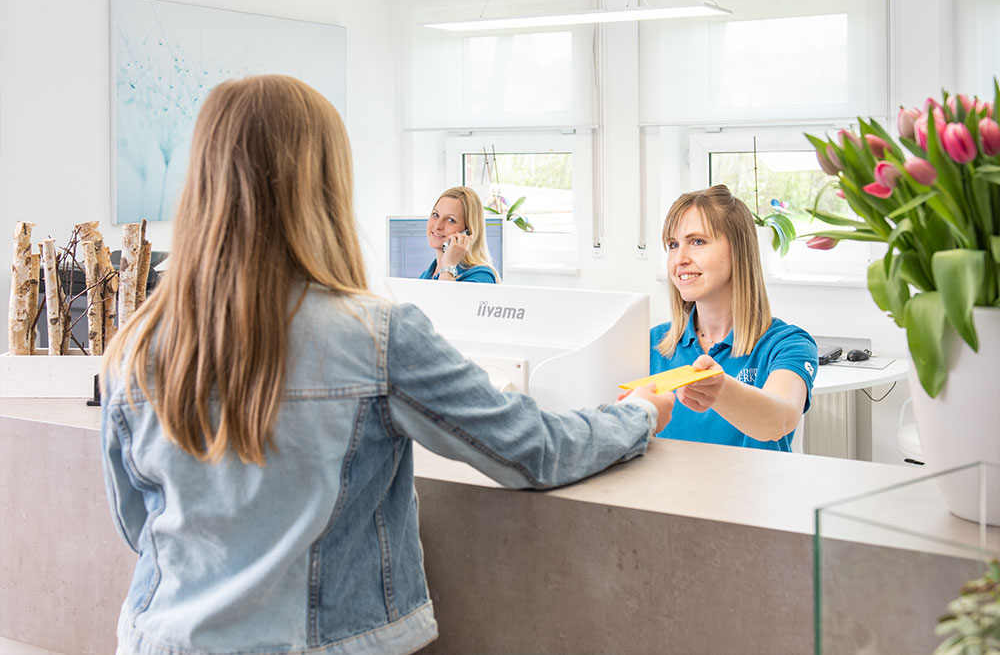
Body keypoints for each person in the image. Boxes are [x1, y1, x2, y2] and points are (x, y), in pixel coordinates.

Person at [99, 75, 675, 655]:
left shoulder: (137, 345)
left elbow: (140, 526)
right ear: (325, 185)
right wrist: (638, 415)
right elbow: (532, 449)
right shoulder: (374, 337)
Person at [648, 184, 818, 452]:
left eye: (697, 242)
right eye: (673, 245)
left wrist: (722, 391)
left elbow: (781, 419)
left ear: (738, 249)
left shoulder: (787, 344)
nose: (680, 259)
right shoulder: (652, 343)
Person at [418, 185, 499, 282]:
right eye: (435, 215)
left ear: (468, 232)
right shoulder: (425, 276)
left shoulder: (481, 276)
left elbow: (443, 293)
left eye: (451, 220)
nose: (437, 226)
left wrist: (449, 266)